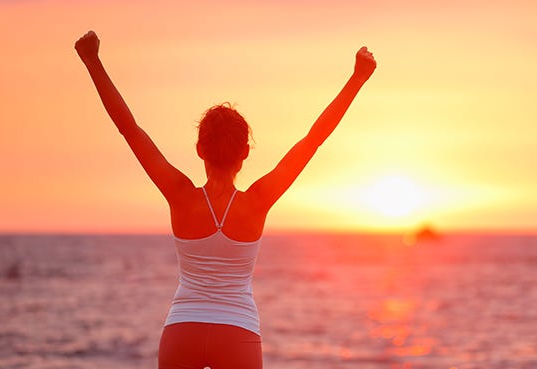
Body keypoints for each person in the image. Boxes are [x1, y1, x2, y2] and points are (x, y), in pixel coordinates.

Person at [74, 30, 376, 369]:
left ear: (200, 149)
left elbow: (129, 128)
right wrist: (357, 78)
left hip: (182, 330)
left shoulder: (179, 194)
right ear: (245, 153)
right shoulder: (258, 201)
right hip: (238, 333)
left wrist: (93, 61)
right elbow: (314, 139)